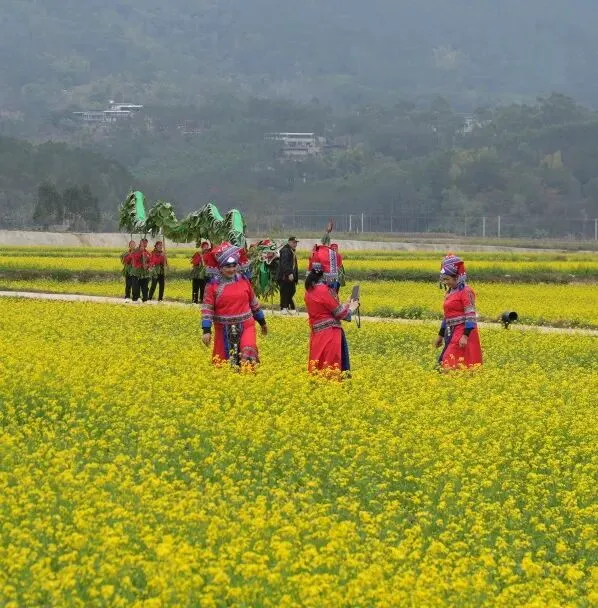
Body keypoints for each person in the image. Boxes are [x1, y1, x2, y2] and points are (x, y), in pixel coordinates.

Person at [201, 242, 268, 368]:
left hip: (246, 326)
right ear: (220, 268)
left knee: (248, 357)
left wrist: (262, 322)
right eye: (228, 266)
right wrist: (206, 330)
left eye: (234, 265)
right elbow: (207, 309)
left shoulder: (244, 280)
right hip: (222, 329)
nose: (232, 269)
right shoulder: (212, 286)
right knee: (223, 366)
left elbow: (254, 303)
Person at [304, 261, 359, 379]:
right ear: (325, 274)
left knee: (318, 366)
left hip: (317, 335)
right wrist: (352, 308)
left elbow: (328, 310)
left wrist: (346, 303)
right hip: (330, 335)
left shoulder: (309, 291)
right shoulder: (324, 290)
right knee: (331, 365)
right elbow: (340, 314)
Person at [434, 254, 483, 369]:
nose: (445, 282)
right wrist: (440, 336)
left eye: (447, 279)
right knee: (448, 362)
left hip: (463, 331)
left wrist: (465, 336)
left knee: (450, 361)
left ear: (456, 277)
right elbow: (447, 316)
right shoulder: (449, 292)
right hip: (450, 331)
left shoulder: (466, 291)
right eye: (443, 279)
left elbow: (470, 314)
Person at [277, 236, 299, 314]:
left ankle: (289, 307)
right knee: (285, 291)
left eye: (296, 243)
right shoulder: (286, 250)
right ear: (289, 242)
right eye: (293, 242)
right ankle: (283, 308)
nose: (295, 244)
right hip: (285, 276)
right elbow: (285, 263)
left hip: (290, 276)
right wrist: (289, 273)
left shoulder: (291, 250)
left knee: (291, 290)